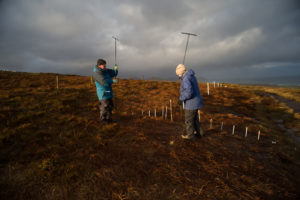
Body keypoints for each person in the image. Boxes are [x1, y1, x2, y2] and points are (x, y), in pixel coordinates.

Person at [176, 64, 204, 140]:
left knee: (188, 120)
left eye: (178, 74)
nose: (178, 76)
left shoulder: (185, 79)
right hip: (196, 101)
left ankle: (190, 136)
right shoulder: (191, 76)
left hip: (191, 103)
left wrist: (181, 98)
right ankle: (200, 133)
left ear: (180, 72)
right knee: (194, 119)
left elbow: (189, 92)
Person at [93, 59, 118, 123]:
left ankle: (108, 119)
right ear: (99, 65)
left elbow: (114, 73)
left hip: (108, 91)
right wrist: (112, 81)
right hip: (103, 92)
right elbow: (104, 83)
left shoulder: (105, 70)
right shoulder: (97, 73)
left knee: (110, 105)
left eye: (105, 65)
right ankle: (103, 120)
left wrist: (115, 69)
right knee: (104, 106)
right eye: (103, 65)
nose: (105, 67)